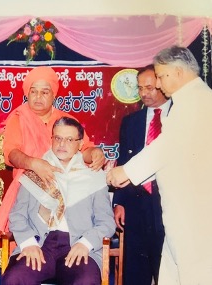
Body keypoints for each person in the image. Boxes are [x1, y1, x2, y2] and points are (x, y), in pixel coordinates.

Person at [107, 46, 212, 284]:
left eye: (162, 76)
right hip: (180, 210)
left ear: (178, 72)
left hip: (193, 212)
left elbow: (166, 146)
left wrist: (125, 172)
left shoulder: (195, 101)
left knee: (194, 274)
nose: (159, 83)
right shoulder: (190, 99)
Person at [2, 116, 116, 285]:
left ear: (80, 144)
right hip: (40, 244)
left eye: (69, 139)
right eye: (58, 138)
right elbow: (17, 215)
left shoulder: (94, 176)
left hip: (77, 244)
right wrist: (28, 243)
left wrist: (85, 244)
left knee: (86, 281)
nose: (62, 144)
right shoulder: (35, 172)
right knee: (15, 279)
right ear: (52, 140)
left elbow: (106, 222)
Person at [0, 66, 106, 233]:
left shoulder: (66, 120)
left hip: (67, 190)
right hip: (29, 190)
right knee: (29, 246)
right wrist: (34, 164)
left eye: (45, 92)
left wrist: (95, 153)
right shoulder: (18, 118)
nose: (38, 97)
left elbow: (84, 149)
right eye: (33, 91)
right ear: (27, 94)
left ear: (54, 94)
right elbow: (11, 154)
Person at [112, 65, 169, 285]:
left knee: (166, 270)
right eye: (140, 88)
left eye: (149, 87)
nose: (144, 93)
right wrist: (119, 202)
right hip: (136, 205)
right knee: (135, 272)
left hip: (167, 204)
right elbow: (123, 163)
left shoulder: (179, 116)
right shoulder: (131, 121)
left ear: (161, 85)